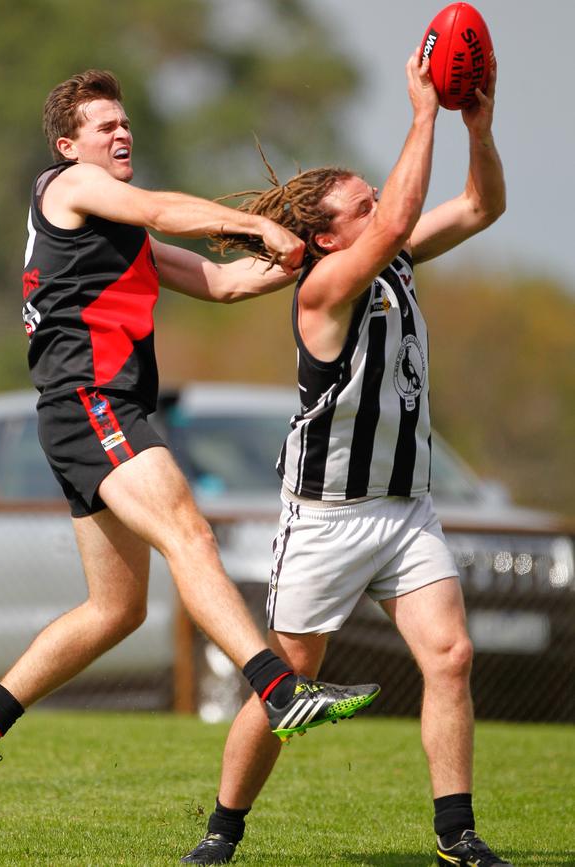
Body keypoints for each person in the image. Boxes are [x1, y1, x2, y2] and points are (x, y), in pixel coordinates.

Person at [0, 69, 381, 830]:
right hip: (90, 402)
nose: (122, 133)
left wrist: (304, 257)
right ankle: (277, 687)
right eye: (104, 126)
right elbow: (167, 209)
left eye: (125, 122)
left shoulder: (117, 230)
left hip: (97, 409)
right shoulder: (68, 188)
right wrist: (256, 225)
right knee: (190, 532)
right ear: (70, 147)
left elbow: (221, 282)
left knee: (118, 608)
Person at [182, 48, 512, 867]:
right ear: (327, 237)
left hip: (406, 510)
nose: (384, 207)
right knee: (288, 675)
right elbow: (399, 220)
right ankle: (221, 832)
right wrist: (422, 110)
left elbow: (481, 205)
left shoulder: (393, 259)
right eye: (363, 205)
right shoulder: (323, 291)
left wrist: (479, 124)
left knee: (452, 654)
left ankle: (456, 835)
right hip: (329, 515)